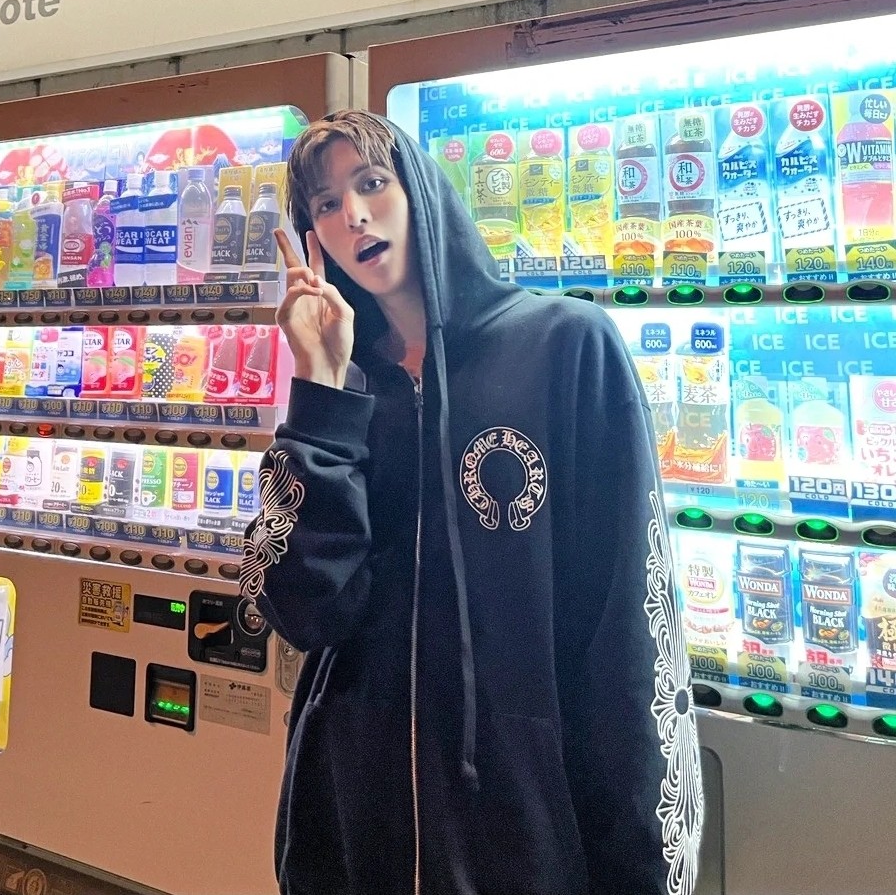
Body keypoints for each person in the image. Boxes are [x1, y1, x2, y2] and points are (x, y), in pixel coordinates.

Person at [240, 110, 703, 895]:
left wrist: (642, 861)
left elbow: (626, 618)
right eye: (326, 203)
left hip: (521, 825)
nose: (354, 215)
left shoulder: (566, 344)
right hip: (356, 819)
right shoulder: (345, 388)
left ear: (421, 192)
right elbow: (302, 611)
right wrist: (319, 386)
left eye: (372, 183)